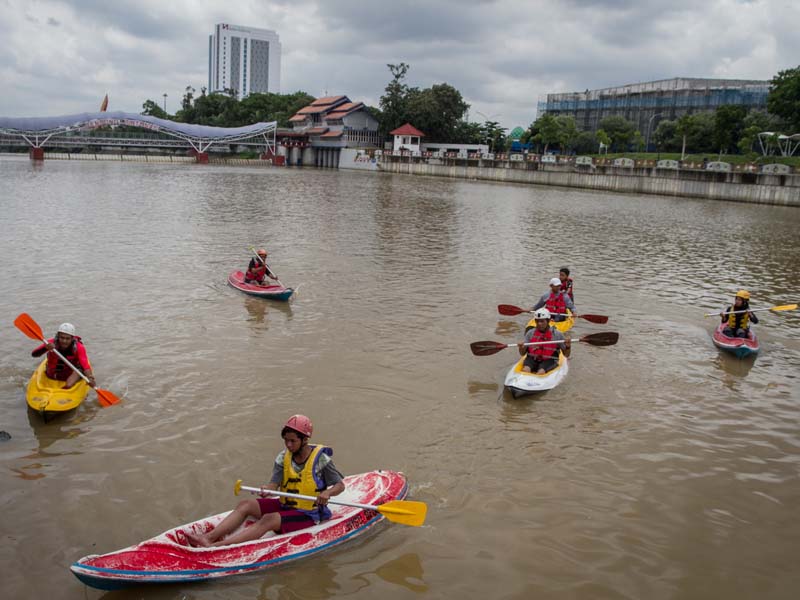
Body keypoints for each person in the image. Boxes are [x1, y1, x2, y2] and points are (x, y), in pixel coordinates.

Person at [186, 415, 345, 548]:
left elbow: (340, 485)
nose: (288, 445)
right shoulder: (283, 457)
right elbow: (273, 484)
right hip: (286, 505)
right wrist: (267, 489)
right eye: (286, 440)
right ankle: (208, 538)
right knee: (246, 504)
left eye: (292, 441)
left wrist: (328, 492)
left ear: (304, 440)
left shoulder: (321, 460)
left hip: (309, 514)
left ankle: (219, 547)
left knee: (269, 519)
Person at [31, 323, 95, 389]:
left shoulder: (79, 347)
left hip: (69, 374)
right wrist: (45, 348)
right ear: (58, 336)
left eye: (67, 338)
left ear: (72, 338)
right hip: (52, 375)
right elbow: (34, 354)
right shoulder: (50, 343)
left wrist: (90, 378)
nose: (64, 341)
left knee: (71, 382)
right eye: (62, 337)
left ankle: (67, 387)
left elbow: (85, 366)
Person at [517, 309, 571, 374]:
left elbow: (566, 355)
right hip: (532, 358)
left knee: (541, 372)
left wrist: (568, 347)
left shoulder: (557, 334)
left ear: (548, 321)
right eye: (537, 321)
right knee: (525, 370)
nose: (539, 324)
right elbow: (522, 353)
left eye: (542, 321)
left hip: (550, 360)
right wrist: (521, 348)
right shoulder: (530, 333)